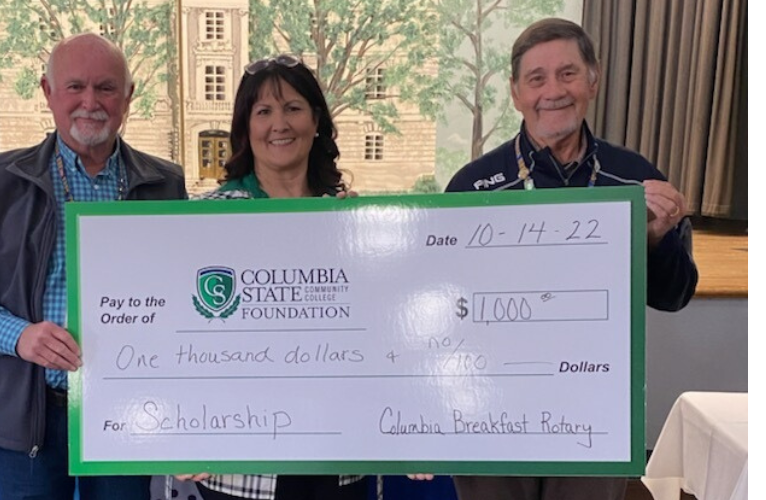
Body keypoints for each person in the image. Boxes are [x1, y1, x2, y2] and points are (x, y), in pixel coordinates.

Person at [433, 17, 699, 500]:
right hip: (490, 416)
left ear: (593, 81)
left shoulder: (634, 179)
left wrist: (658, 240)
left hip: (593, 413)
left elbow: (675, 295)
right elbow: (441, 311)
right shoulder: (471, 187)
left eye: (568, 74)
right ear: (516, 93)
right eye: (536, 78)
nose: (552, 91)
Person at [0, 33, 187, 500]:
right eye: (75, 87)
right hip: (30, 410)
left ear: (128, 97)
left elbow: (181, 299)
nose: (90, 102)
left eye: (106, 88)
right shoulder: (1, 181)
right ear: (48, 92)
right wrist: (18, 335)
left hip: (126, 410)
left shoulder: (165, 185)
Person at [170, 55, 367, 500]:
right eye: (264, 112)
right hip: (241, 465)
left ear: (316, 120)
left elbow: (387, 333)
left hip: (339, 456)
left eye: (293, 108)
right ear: (246, 128)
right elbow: (173, 337)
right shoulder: (204, 221)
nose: (280, 124)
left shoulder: (356, 221)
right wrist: (173, 432)